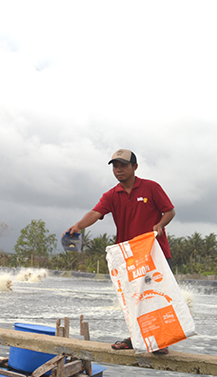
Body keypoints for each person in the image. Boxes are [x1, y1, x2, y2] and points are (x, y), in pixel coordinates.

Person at [65, 149, 175, 353]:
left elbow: (169, 211)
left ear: (135, 167)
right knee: (132, 298)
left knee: (156, 297)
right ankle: (137, 338)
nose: (119, 170)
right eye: (115, 166)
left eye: (123, 165)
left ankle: (161, 341)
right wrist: (79, 226)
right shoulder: (112, 194)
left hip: (154, 253)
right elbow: (96, 212)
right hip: (129, 256)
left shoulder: (151, 188)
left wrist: (159, 224)